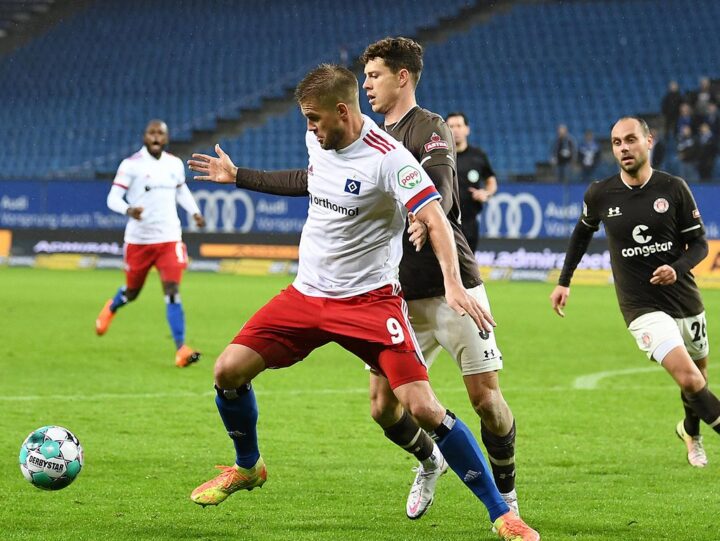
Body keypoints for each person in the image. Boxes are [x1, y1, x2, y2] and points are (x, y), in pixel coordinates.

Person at [187, 64, 539, 541]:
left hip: (370, 303)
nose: (308, 129)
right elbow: (312, 180)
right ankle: (248, 467)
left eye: (313, 118)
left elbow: (434, 216)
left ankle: (503, 515)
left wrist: (454, 283)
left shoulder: (389, 159)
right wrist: (240, 176)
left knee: (424, 408)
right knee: (227, 372)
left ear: (341, 110)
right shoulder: (320, 140)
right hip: (306, 295)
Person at [360, 37, 522, 523]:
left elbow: (445, 192)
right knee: (381, 408)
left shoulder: (429, 127)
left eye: (374, 75)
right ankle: (430, 460)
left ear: (402, 77)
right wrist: (241, 175)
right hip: (397, 298)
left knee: (485, 399)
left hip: (455, 289)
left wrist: (423, 214)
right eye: (365, 76)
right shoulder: (366, 138)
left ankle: (507, 492)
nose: (366, 84)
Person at [550, 116, 719, 469]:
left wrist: (678, 268)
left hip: (685, 299)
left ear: (648, 141)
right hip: (640, 306)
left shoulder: (673, 188)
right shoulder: (600, 193)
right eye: (616, 142)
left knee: (698, 379)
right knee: (688, 377)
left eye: (630, 140)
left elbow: (700, 245)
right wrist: (564, 280)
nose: (623, 148)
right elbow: (582, 234)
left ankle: (691, 432)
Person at [95, 119, 205, 368]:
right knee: (132, 292)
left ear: (166, 139)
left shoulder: (174, 164)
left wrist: (195, 212)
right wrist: (128, 209)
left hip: (169, 238)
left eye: (161, 134)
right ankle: (112, 306)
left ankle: (181, 349)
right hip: (139, 241)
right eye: (152, 133)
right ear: (145, 137)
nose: (156, 137)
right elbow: (113, 198)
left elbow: (181, 190)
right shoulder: (131, 165)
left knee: (172, 292)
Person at [446, 111, 498, 252]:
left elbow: (491, 180)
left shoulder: (478, 156)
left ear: (467, 129)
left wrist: (486, 193)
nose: (455, 130)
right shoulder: (440, 155)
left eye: (459, 125)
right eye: (451, 126)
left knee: (467, 270)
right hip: (444, 222)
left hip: (469, 224)